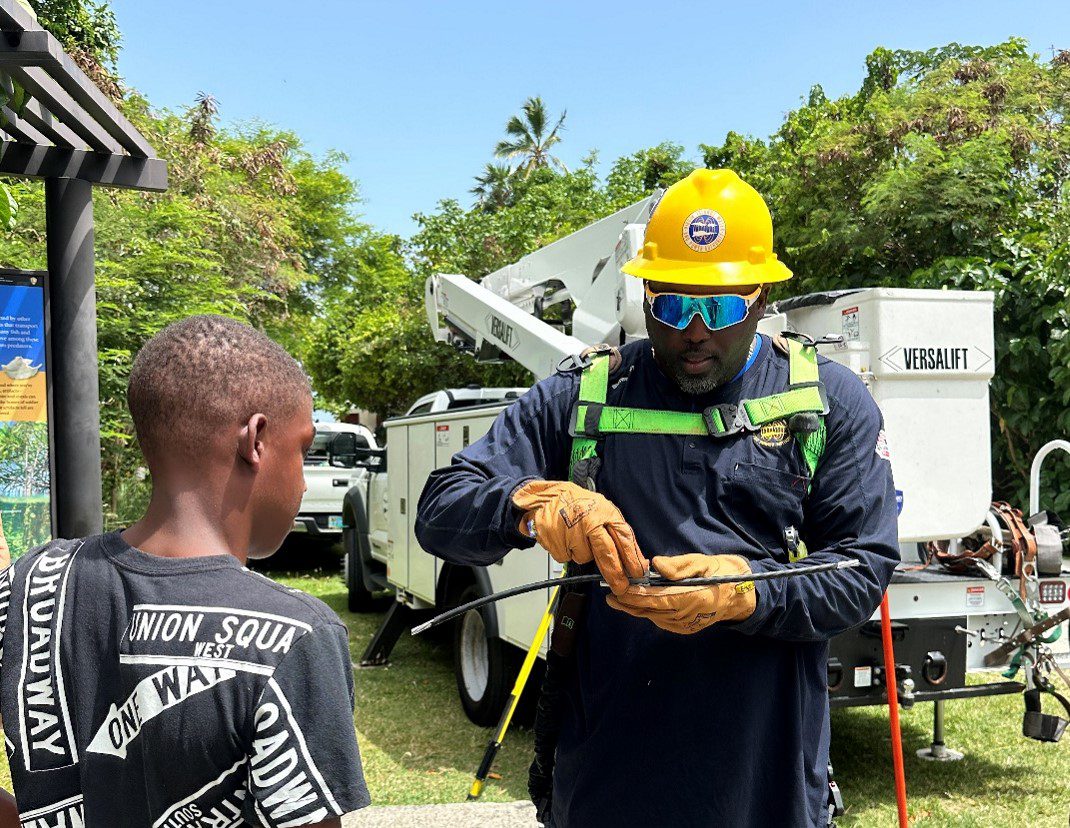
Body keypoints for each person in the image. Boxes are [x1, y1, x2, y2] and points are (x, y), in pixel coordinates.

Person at [416, 169, 900, 827]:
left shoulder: (826, 401)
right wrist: (532, 504)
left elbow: (862, 569)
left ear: (761, 299)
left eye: (720, 310)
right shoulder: (586, 396)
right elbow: (441, 509)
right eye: (671, 306)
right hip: (608, 781)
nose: (695, 332)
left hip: (763, 783)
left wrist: (746, 590)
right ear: (643, 296)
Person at [0, 315, 370, 827]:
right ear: (256, 440)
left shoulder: (29, 584)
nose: (304, 483)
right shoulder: (296, 636)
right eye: (303, 450)